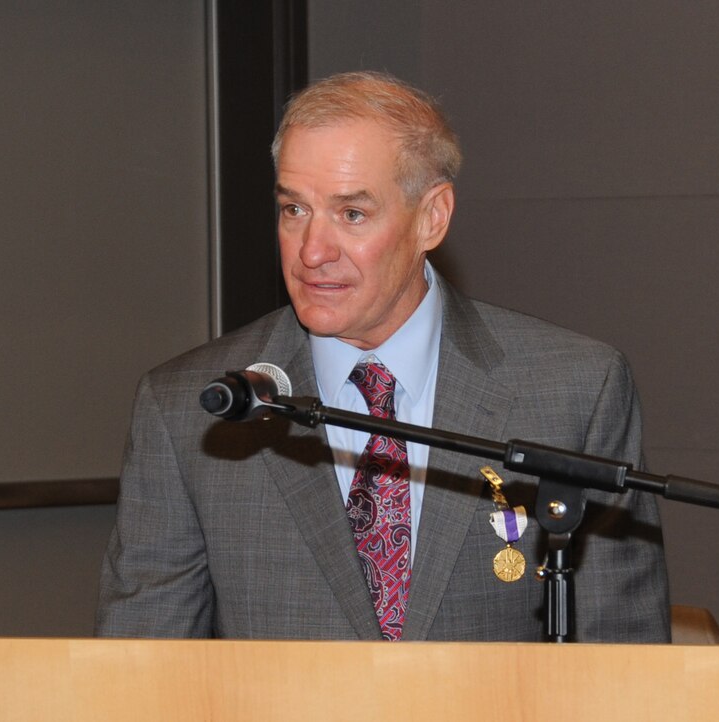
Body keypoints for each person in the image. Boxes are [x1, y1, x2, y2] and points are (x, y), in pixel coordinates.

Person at [95, 71, 670, 642]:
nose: (312, 252)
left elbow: (623, 666)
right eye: (294, 210)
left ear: (432, 218)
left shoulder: (573, 390)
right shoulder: (190, 407)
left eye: (351, 214)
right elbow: (143, 675)